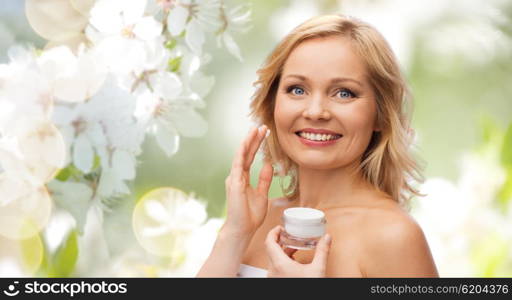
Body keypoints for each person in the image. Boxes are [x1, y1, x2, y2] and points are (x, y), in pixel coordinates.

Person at [197, 14, 438, 277]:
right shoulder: (255, 220)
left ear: (380, 114)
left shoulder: (393, 235)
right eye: (297, 89)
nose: (315, 112)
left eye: (344, 93)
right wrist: (234, 234)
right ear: (273, 103)